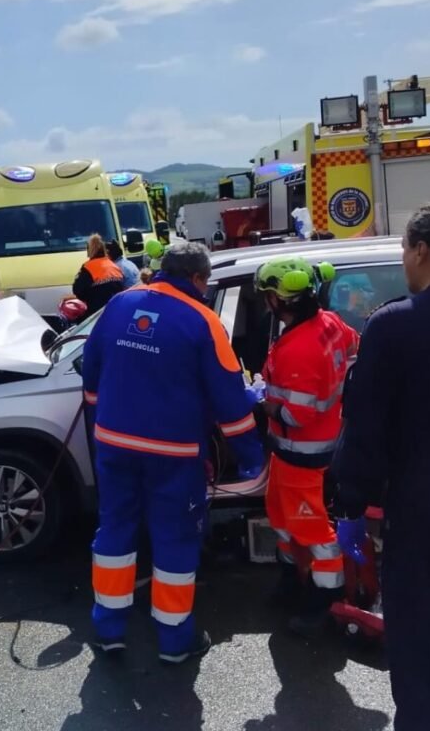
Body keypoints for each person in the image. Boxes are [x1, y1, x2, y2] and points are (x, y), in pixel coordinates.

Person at [82, 241, 262, 663]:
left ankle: (108, 631)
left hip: (114, 446)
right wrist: (252, 455)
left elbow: (91, 374)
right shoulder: (204, 320)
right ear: (199, 278)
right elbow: (231, 402)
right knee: (175, 540)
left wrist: (102, 426)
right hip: (173, 455)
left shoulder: (119, 306)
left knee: (114, 533)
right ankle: (175, 640)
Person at [332, 204, 430, 729]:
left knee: (418, 632)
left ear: (420, 250)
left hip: (420, 509)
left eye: (403, 251)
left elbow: (365, 427)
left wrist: (351, 503)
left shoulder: (394, 325)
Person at [254, 256, 358, 635]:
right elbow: (352, 352)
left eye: (267, 294)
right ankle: (290, 580)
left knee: (313, 531)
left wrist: (261, 403)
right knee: (281, 519)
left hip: (303, 453)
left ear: (279, 300)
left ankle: (324, 602)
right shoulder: (329, 324)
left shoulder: (298, 348)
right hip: (293, 452)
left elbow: (298, 415)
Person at [72, 233, 125, 316]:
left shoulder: (88, 267)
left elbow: (77, 290)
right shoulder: (114, 265)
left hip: (97, 312)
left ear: (89, 250)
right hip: (117, 308)